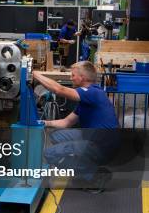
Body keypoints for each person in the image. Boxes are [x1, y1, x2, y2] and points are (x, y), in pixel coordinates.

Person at [33, 61, 120, 191]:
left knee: (50, 154)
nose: (70, 77)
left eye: (73, 75)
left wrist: (34, 74)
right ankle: (83, 166)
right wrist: (43, 123)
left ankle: (95, 176)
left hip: (102, 146)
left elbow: (59, 89)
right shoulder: (87, 99)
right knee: (57, 135)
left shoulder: (92, 93)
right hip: (93, 138)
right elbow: (66, 122)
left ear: (82, 78)